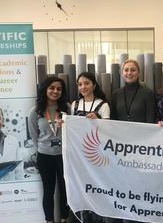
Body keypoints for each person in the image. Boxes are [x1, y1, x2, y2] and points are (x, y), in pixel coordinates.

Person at [110, 59, 155, 223]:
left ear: (139, 73)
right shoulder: (115, 94)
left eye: (133, 70)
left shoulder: (147, 93)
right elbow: (112, 123)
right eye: (126, 70)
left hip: (141, 149)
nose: (129, 73)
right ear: (122, 73)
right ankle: (125, 216)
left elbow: (151, 123)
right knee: (123, 184)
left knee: (140, 185)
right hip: (121, 149)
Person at [28, 76, 70, 223]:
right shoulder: (35, 111)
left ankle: (65, 218)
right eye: (52, 88)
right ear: (45, 89)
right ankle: (49, 220)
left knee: (66, 190)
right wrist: (44, 146)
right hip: (45, 156)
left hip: (64, 155)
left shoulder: (67, 108)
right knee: (48, 190)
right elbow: (34, 136)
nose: (55, 91)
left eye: (59, 89)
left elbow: (72, 132)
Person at [71, 72, 110, 223]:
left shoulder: (103, 105)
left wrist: (98, 120)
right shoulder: (74, 105)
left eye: (86, 83)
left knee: (96, 185)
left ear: (94, 85)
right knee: (81, 186)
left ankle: (99, 216)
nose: (83, 87)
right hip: (78, 154)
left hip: (96, 154)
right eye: (80, 84)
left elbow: (108, 131)